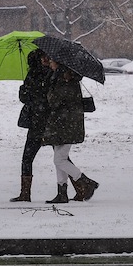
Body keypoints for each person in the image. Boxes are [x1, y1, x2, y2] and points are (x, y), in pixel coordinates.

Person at [42, 57, 99, 204]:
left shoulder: (64, 79)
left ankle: (86, 181)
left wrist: (48, 94)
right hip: (63, 123)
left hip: (67, 124)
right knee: (59, 158)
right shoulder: (62, 77)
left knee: (59, 159)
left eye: (52, 61)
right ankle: (62, 193)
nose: (50, 63)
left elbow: (55, 101)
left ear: (59, 63)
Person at [11, 49, 51, 202]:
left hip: (37, 123)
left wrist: (23, 90)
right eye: (44, 57)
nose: (47, 59)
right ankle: (81, 184)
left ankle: (25, 193)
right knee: (61, 157)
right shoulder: (50, 74)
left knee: (27, 158)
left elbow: (27, 98)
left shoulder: (33, 76)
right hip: (48, 121)